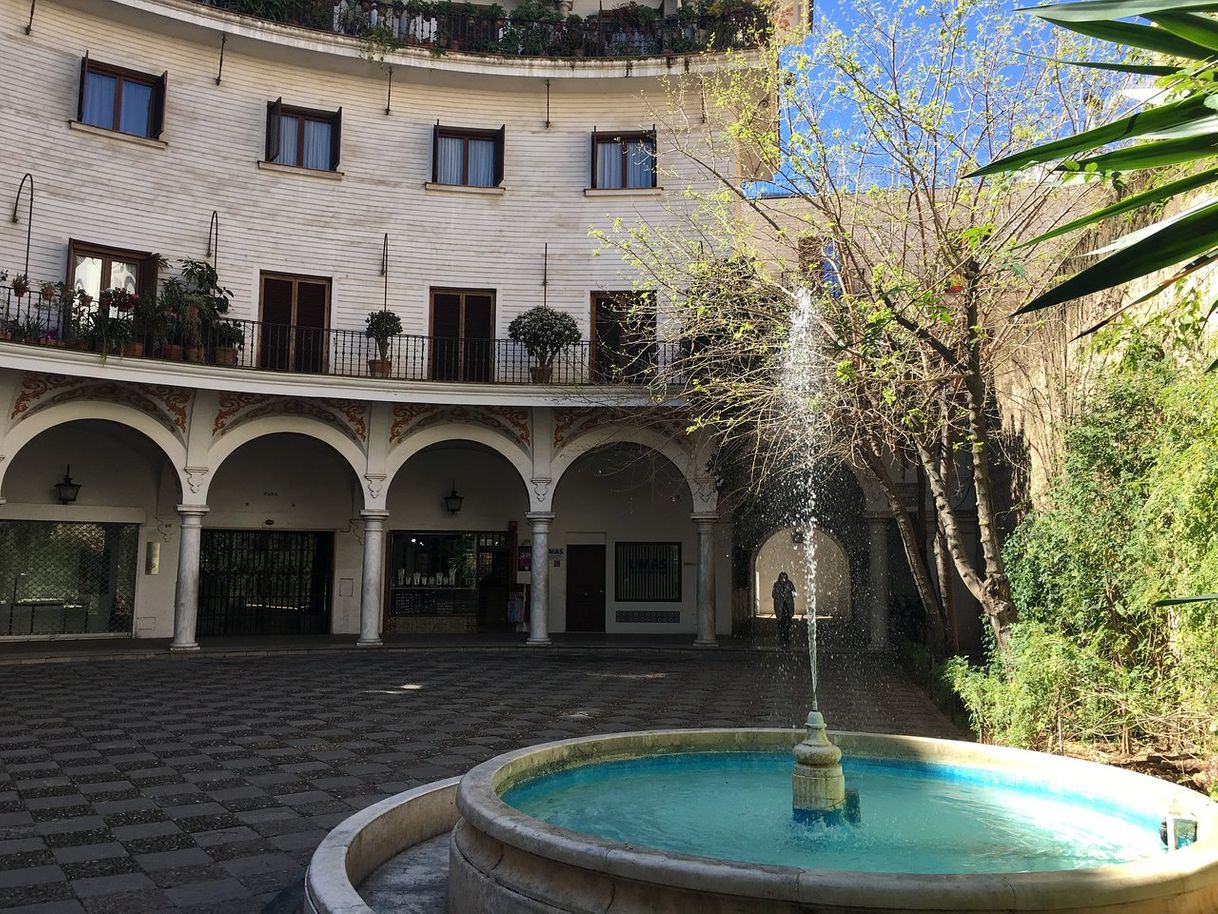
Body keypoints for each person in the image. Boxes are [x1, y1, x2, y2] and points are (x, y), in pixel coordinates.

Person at [772, 571, 796, 647]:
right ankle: (782, 638)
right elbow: (773, 594)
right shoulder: (776, 584)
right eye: (782, 577)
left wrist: (789, 595)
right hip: (780, 607)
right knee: (780, 624)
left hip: (788, 606)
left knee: (788, 623)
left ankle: (786, 637)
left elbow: (795, 593)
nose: (783, 579)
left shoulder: (789, 584)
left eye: (784, 577)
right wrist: (779, 595)